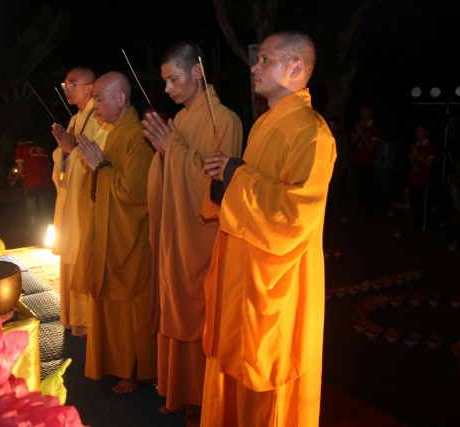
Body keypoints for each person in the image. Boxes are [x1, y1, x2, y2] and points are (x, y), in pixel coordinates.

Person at [201, 31, 336, 426]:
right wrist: (224, 178)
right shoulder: (263, 124)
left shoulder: (312, 132)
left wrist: (236, 174)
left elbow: (295, 217)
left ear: (296, 67)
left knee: (268, 386)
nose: (254, 67)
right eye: (257, 60)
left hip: (277, 283)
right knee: (233, 368)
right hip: (242, 274)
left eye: (265, 59)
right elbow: (247, 190)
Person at [141, 40, 243, 425]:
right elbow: (166, 177)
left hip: (203, 238)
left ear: (197, 71)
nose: (167, 89)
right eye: (164, 82)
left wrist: (174, 151)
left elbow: (217, 189)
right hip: (176, 235)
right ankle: (179, 392)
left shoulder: (225, 121)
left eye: (174, 79)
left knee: (201, 317)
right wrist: (163, 153)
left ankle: (204, 400)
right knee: (175, 309)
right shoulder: (182, 121)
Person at [71, 71, 156, 394]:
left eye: (100, 99)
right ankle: (115, 361)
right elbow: (104, 177)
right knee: (108, 301)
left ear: (121, 98)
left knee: (130, 306)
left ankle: (134, 369)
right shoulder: (118, 131)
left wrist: (100, 167)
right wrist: (97, 167)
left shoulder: (137, 136)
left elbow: (134, 192)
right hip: (109, 229)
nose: (95, 107)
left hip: (129, 236)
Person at [51, 66, 111, 337]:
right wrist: (65, 153)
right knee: (70, 256)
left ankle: (88, 322)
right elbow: (66, 159)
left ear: (90, 88)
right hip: (70, 202)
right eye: (65, 84)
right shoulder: (75, 119)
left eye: (73, 83)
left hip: (85, 204)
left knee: (82, 256)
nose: (67, 89)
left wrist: (71, 151)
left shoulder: (99, 120)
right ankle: (73, 318)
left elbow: (99, 160)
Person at [9, 133, 53, 238]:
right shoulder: (42, 149)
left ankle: (34, 237)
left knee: (32, 213)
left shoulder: (21, 148)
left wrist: (13, 181)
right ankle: (46, 236)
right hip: (45, 184)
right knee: (45, 212)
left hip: (30, 184)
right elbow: (49, 168)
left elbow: (20, 170)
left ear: (20, 141)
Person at [350, 104, 379, 217]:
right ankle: (361, 210)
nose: (362, 113)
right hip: (357, 162)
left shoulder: (373, 127)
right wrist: (358, 132)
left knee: (367, 187)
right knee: (358, 187)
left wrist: (361, 133)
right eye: (361, 111)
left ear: (370, 112)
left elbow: (371, 147)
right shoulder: (358, 125)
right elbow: (352, 144)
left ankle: (368, 211)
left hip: (368, 163)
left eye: (365, 111)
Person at [407, 124, 436, 233]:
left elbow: (429, 164)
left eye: (420, 130)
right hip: (413, 180)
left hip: (423, 181)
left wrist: (417, 155)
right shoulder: (415, 145)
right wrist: (414, 154)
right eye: (416, 130)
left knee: (422, 206)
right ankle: (415, 226)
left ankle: (422, 227)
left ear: (426, 132)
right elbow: (410, 163)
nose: (417, 133)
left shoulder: (429, 146)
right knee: (413, 205)